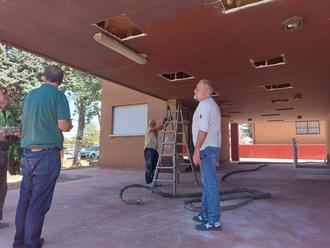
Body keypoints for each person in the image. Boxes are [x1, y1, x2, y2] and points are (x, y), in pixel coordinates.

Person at [13, 65, 72, 248]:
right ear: (60, 82)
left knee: (25, 200)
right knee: (39, 203)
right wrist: (69, 125)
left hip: (28, 154)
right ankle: (32, 244)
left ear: (44, 77)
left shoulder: (31, 95)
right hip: (47, 155)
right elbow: (63, 125)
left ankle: (19, 242)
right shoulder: (58, 96)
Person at [191, 79, 222, 231]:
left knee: (210, 185)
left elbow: (203, 130)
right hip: (211, 149)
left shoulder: (205, 105)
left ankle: (214, 221)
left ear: (205, 91)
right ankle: (205, 214)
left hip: (206, 149)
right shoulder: (212, 105)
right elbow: (218, 132)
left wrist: (196, 150)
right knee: (207, 185)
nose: (194, 90)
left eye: (197, 88)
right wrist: (218, 152)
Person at [144, 119, 164, 185]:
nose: (151, 125)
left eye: (153, 123)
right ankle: (148, 182)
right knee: (149, 166)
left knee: (154, 167)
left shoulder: (155, 131)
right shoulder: (147, 129)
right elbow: (158, 127)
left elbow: (161, 127)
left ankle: (153, 181)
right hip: (148, 150)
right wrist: (163, 123)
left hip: (154, 150)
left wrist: (166, 122)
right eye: (150, 124)